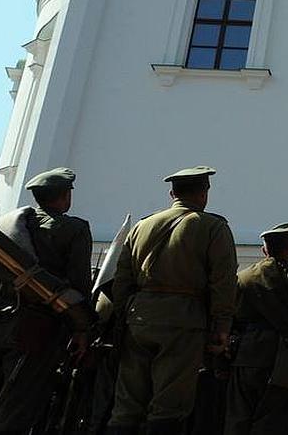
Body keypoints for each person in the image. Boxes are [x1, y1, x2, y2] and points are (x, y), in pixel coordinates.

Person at [0, 167, 93, 434]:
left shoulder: (7, 225)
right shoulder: (74, 229)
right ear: (65, 196)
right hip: (34, 328)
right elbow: (79, 285)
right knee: (16, 405)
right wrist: (82, 328)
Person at [107, 166, 238, 435]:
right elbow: (223, 281)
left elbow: (121, 280)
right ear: (204, 194)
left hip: (138, 319)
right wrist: (222, 325)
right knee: (170, 404)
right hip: (184, 321)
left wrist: (126, 315)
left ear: (171, 194)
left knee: (127, 404)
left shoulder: (141, 226)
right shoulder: (213, 227)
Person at [224, 222, 288, 435]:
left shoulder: (243, 278)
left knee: (239, 419)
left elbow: (232, 317)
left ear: (264, 250)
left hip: (247, 356)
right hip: (287, 360)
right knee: (274, 421)